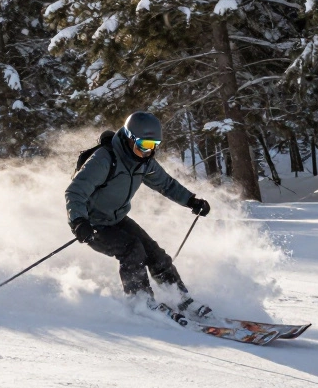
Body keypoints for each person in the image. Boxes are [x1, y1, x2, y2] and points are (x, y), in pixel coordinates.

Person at [65, 111, 213, 317]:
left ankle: (180, 297)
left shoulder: (144, 162)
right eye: (144, 145)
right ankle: (141, 300)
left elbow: (166, 185)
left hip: (117, 218)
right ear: (129, 138)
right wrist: (79, 222)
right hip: (93, 223)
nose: (148, 151)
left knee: (155, 253)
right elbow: (75, 191)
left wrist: (191, 201)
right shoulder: (104, 159)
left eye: (154, 145)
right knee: (132, 250)